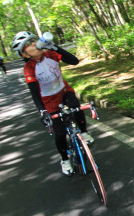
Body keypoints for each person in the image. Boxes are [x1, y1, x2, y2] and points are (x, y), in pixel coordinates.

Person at [12, 31, 95, 176]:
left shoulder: (50, 54)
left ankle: (84, 132)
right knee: (60, 133)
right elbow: (34, 93)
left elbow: (75, 61)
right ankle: (64, 159)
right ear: (25, 54)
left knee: (76, 107)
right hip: (48, 101)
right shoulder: (29, 68)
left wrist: (55, 47)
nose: (33, 43)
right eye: (28, 44)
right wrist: (42, 111)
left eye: (33, 40)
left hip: (63, 90)